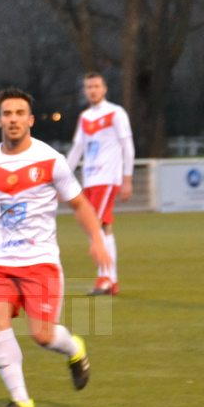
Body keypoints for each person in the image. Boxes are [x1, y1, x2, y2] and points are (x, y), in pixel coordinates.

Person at [0, 88, 110, 407]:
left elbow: (78, 204)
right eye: (7, 113)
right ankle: (21, 401)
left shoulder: (51, 161)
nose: (13, 119)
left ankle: (74, 350)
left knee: (42, 336)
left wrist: (97, 239)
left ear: (30, 120)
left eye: (20, 113)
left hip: (40, 262)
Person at [65, 73, 134, 295]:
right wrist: (62, 178)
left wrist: (127, 178)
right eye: (88, 87)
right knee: (101, 228)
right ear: (85, 91)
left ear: (104, 89)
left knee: (95, 225)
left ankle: (105, 278)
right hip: (91, 179)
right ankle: (111, 281)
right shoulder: (85, 117)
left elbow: (127, 146)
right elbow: (77, 149)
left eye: (96, 86)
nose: (92, 90)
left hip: (108, 177)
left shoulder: (116, 112)